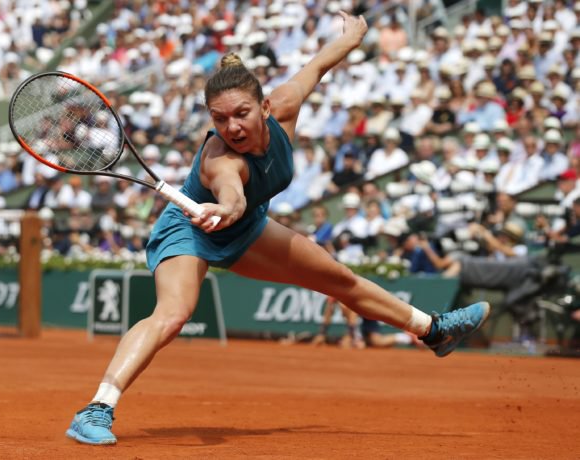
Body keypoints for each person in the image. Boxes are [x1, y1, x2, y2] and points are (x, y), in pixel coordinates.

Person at [65, 13, 490, 446]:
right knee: (174, 314)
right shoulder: (221, 159)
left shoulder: (286, 103)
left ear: (266, 108)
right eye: (220, 118)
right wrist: (224, 209)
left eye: (242, 114)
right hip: (190, 228)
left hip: (245, 228)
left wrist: (354, 34)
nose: (231, 127)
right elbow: (230, 194)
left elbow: (319, 65)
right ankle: (96, 408)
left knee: (338, 278)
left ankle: (433, 330)